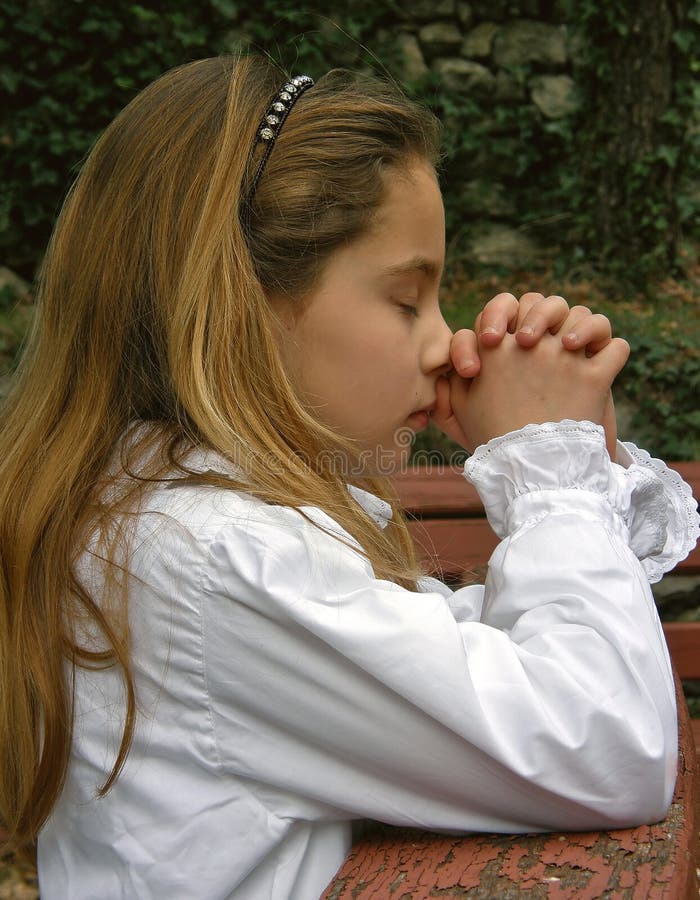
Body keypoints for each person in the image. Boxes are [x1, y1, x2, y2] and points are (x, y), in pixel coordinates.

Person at [0, 54, 697, 900]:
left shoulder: (168, 525)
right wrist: (552, 474)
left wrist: (572, 460)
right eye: (406, 301)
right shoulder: (214, 561)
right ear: (236, 310)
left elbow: (481, 660)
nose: (445, 345)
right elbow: (609, 743)